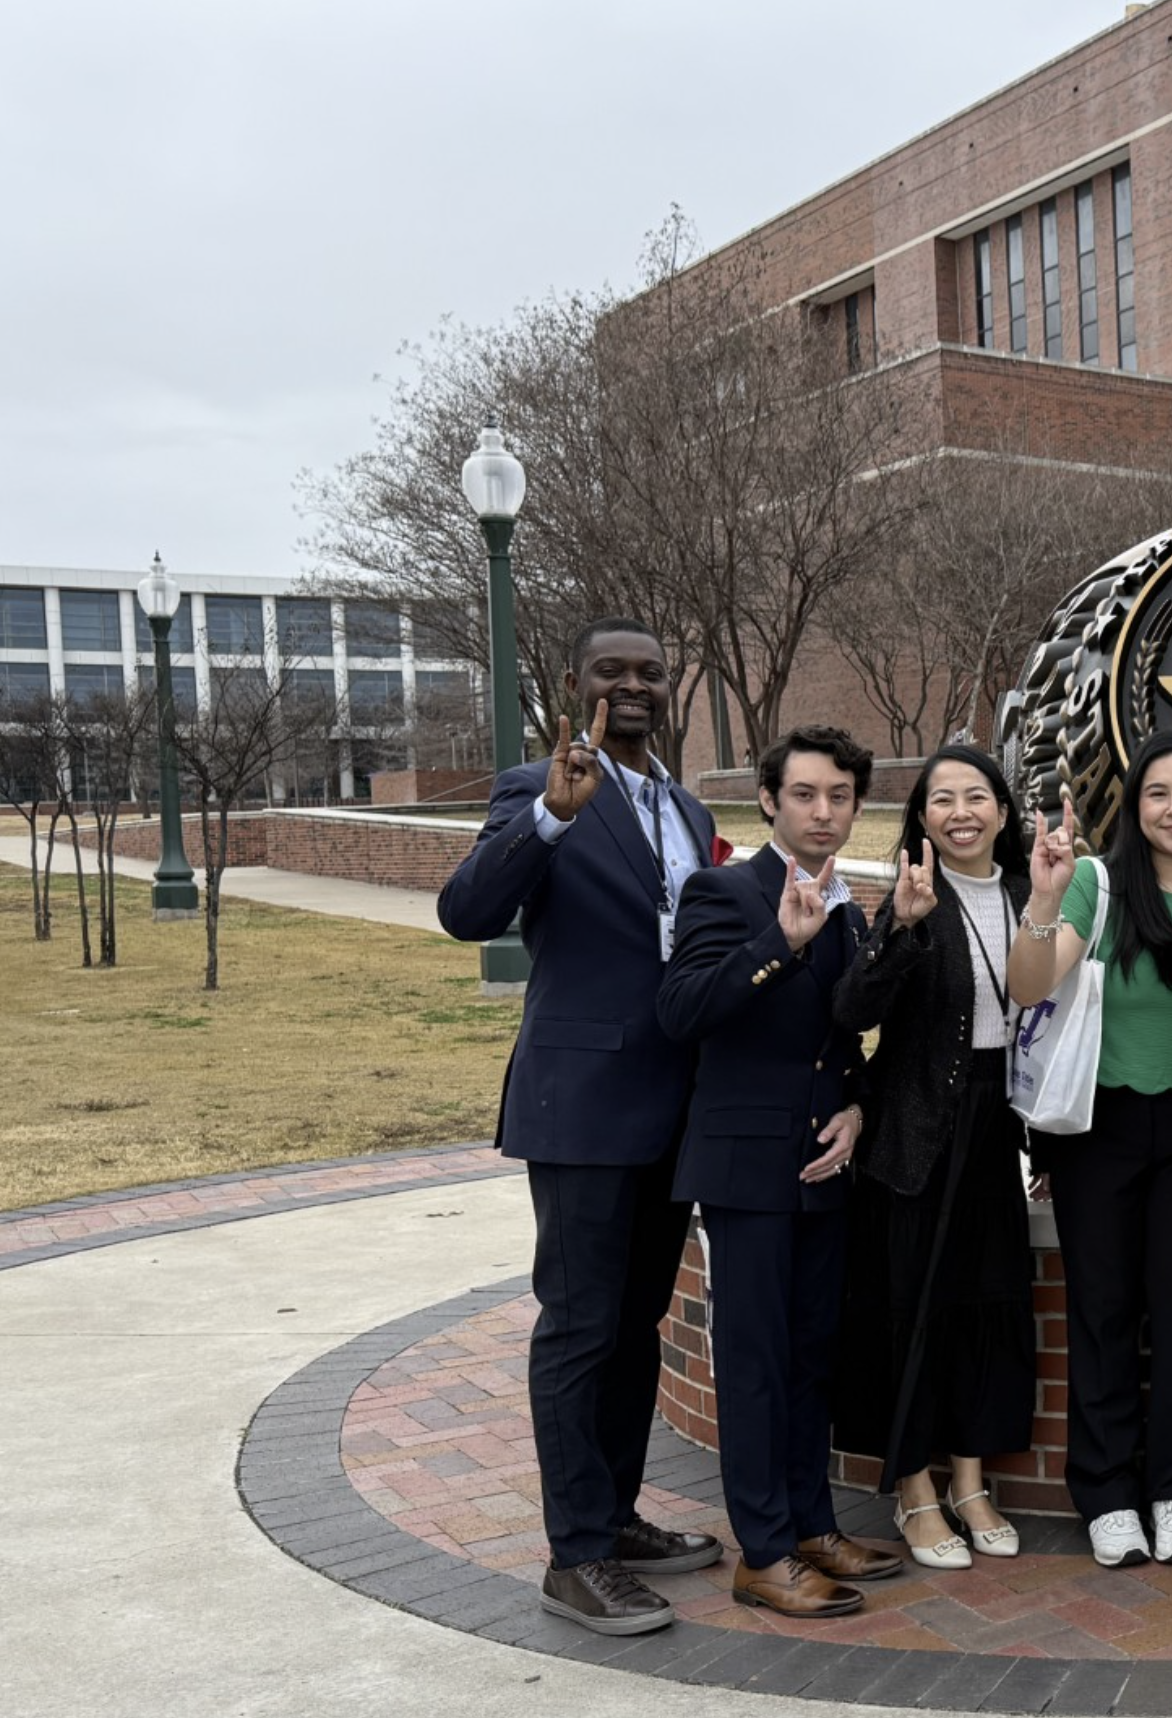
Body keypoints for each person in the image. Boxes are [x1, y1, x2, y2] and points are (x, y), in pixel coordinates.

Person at [434, 618, 725, 1637]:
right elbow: (466, 910)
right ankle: (577, 1554)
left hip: (674, 1108)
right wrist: (551, 820)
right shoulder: (534, 787)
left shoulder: (688, 808)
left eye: (650, 671)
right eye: (613, 671)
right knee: (578, 1324)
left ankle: (618, 1514)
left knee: (638, 1323)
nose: (634, 686)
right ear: (575, 683)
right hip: (583, 1105)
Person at [655, 723, 903, 1617]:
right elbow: (682, 1012)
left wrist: (857, 1106)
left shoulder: (854, 905)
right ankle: (762, 1552)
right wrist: (778, 948)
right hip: (744, 1171)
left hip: (820, 1167)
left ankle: (810, 1526)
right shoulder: (724, 891)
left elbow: (848, 1040)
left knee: (810, 1360)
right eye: (805, 794)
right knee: (755, 1364)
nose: (823, 811)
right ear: (769, 800)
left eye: (840, 797)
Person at [1006, 729, 1172, 1569]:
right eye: (1157, 793)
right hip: (1100, 1130)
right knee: (1103, 1312)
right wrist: (1043, 900)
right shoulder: (1098, 887)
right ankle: (1107, 1493)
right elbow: (1031, 985)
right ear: (1135, 807)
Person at [828, 745, 1036, 1571]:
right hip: (914, 1134)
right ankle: (914, 1489)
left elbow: (1050, 1028)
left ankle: (973, 1482)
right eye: (941, 798)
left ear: (1003, 811)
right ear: (921, 819)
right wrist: (903, 931)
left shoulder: (1029, 895)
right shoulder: (912, 899)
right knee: (913, 1309)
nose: (961, 811)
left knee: (987, 1307)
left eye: (976, 795)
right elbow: (854, 1007)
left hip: (996, 1128)